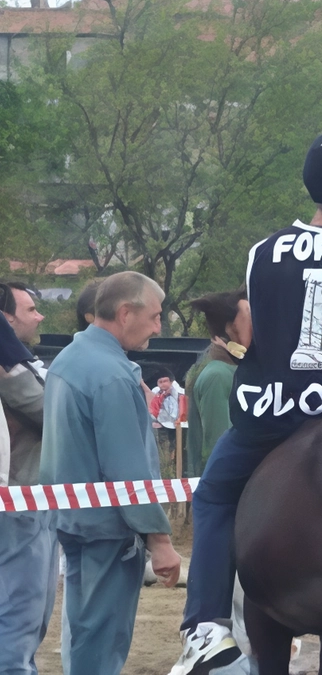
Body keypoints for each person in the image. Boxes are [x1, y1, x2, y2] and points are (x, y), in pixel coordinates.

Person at [173, 130, 322, 673]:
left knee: (213, 497)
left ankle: (207, 625)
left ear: (310, 184)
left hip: (274, 417)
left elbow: (257, 330)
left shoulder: (265, 251)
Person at [40, 271, 183, 675]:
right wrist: (159, 540)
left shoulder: (69, 359)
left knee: (84, 634)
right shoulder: (112, 375)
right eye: (154, 316)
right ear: (125, 313)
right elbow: (129, 471)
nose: (158, 326)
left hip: (74, 521)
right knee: (101, 643)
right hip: (109, 531)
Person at [0, 283, 59, 674]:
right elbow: (48, 409)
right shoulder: (11, 368)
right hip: (21, 498)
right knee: (22, 608)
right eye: (30, 309)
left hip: (28, 495)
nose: (39, 316)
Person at [184, 287, 251, 477]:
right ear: (230, 328)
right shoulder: (217, 375)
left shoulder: (234, 370)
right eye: (248, 314)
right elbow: (217, 448)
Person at [148, 368, 185, 472]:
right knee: (163, 449)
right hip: (161, 426)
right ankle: (165, 469)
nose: (163, 384)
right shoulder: (156, 392)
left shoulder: (179, 392)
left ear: (171, 382)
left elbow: (181, 410)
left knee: (176, 449)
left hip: (177, 426)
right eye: (160, 382)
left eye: (165, 381)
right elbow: (152, 409)